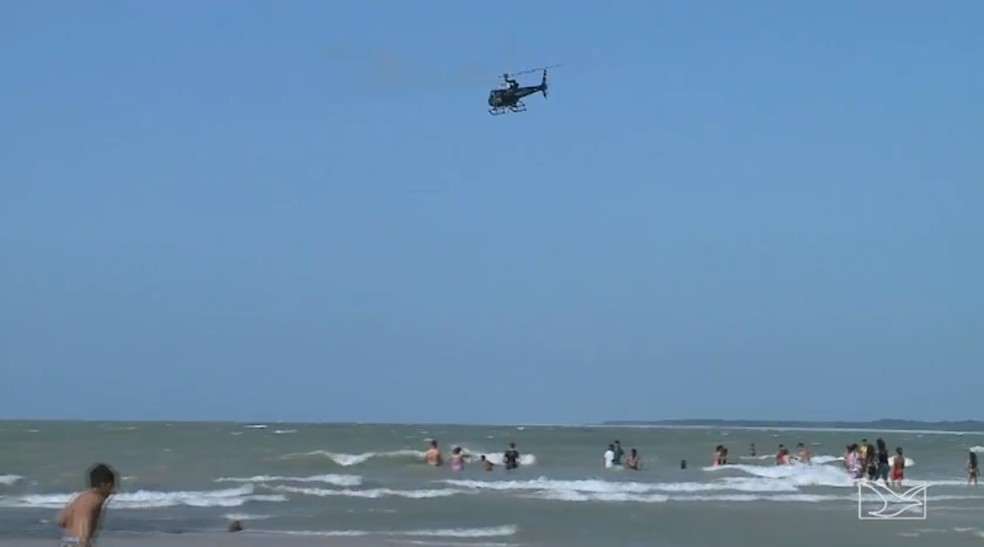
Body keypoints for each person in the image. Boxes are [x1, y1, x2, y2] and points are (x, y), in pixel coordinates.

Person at [57, 463, 117, 547]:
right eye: (111, 485)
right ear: (103, 484)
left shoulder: (82, 497)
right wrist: (83, 539)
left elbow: (61, 519)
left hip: (68, 541)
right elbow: (84, 515)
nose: (112, 490)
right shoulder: (95, 498)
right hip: (79, 543)